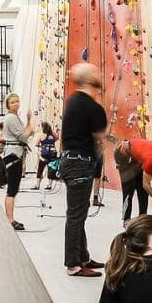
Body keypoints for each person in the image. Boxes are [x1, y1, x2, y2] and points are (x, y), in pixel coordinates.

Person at [58, 64, 111, 277]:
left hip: (70, 161)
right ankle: (73, 265)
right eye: (96, 72)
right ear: (89, 79)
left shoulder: (73, 102)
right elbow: (100, 139)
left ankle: (83, 257)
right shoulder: (92, 107)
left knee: (78, 212)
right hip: (80, 163)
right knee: (76, 215)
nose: (100, 73)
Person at [0, 93, 32, 230]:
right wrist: (30, 122)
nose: (16, 104)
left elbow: (24, 134)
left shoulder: (14, 117)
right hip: (13, 155)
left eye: (17, 101)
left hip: (15, 154)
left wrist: (28, 122)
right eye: (13, 102)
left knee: (14, 188)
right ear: (8, 105)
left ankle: (10, 218)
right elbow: (23, 136)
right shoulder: (11, 118)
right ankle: (10, 220)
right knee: (12, 189)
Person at [35, 122, 59, 191]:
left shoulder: (41, 135)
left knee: (40, 169)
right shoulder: (53, 134)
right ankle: (49, 185)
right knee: (51, 169)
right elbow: (57, 139)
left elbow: (36, 144)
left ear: (43, 128)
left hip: (44, 155)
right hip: (52, 154)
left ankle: (37, 185)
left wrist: (42, 145)